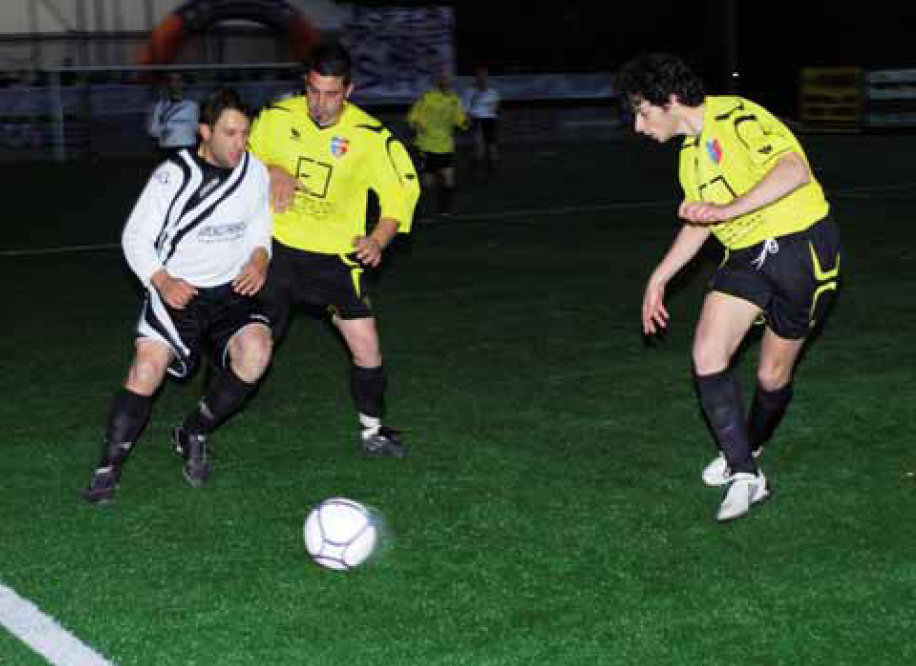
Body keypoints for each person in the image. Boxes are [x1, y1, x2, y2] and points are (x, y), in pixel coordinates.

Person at [615, 53, 842, 522]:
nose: (638, 126)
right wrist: (659, 277)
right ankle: (744, 473)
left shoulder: (737, 116)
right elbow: (700, 222)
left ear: (669, 100)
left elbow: (793, 170)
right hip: (745, 256)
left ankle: (750, 446)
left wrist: (726, 210)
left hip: (801, 249)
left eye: (642, 112)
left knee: (771, 376)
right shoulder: (689, 156)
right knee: (707, 353)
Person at [83, 89, 274, 504]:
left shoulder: (254, 172)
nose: (240, 143)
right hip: (178, 292)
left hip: (231, 290)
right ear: (205, 132)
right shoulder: (173, 177)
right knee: (147, 368)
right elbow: (135, 237)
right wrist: (162, 280)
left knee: (256, 353)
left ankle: (194, 431)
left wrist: (260, 259)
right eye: (230, 133)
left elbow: (260, 228)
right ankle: (107, 468)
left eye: (245, 133)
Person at [248, 42, 419, 458]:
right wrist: (272, 169)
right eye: (313, 91)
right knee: (251, 348)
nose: (319, 103)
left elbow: (401, 194)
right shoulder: (275, 118)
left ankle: (372, 432)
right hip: (277, 251)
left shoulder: (370, 136)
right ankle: (202, 422)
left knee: (367, 344)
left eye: (331, 94)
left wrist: (378, 239)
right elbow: (238, 160)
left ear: (349, 91)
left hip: (335, 260)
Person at [407, 68, 468, 216]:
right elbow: (412, 116)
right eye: (442, 78)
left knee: (449, 178)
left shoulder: (455, 100)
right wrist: (416, 124)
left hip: (446, 146)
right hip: (427, 145)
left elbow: (460, 120)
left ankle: (443, 211)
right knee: (428, 183)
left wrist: (466, 121)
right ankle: (414, 207)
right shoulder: (427, 97)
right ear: (438, 81)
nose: (445, 81)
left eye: (447, 78)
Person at [148, 72, 199, 155]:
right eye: (172, 80)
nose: (176, 84)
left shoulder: (192, 105)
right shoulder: (159, 106)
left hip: (188, 146)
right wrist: (167, 128)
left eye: (179, 80)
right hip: (168, 147)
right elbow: (153, 130)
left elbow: (195, 127)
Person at [463, 66, 501, 176]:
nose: (482, 78)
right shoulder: (469, 91)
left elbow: (496, 108)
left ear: (487, 77)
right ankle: (475, 168)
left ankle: (492, 169)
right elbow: (466, 108)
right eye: (480, 75)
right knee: (479, 146)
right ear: (476, 77)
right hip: (476, 119)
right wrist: (467, 119)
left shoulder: (493, 92)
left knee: (492, 146)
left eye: (484, 75)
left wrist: (494, 109)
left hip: (490, 120)